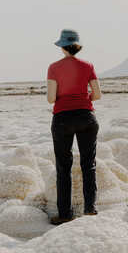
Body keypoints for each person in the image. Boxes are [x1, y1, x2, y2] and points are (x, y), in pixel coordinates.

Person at [46, 29, 102, 224]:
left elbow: (51, 98)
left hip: (62, 118)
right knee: (89, 165)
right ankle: (90, 209)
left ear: (62, 46)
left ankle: (64, 214)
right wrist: (84, 98)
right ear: (77, 45)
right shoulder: (88, 66)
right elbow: (97, 94)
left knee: (64, 167)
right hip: (86, 117)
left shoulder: (54, 67)